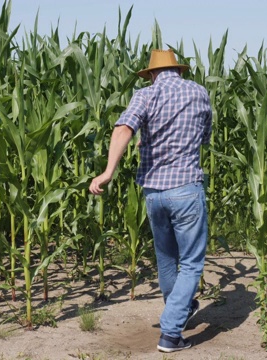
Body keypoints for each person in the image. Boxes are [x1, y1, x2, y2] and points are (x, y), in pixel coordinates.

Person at [89, 49, 212, 353]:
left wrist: (108, 172)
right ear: (178, 71)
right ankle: (171, 334)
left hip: (155, 193)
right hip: (186, 188)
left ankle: (179, 311)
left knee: (167, 259)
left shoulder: (145, 95)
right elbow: (202, 137)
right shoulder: (199, 92)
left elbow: (123, 129)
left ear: (153, 74)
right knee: (192, 263)